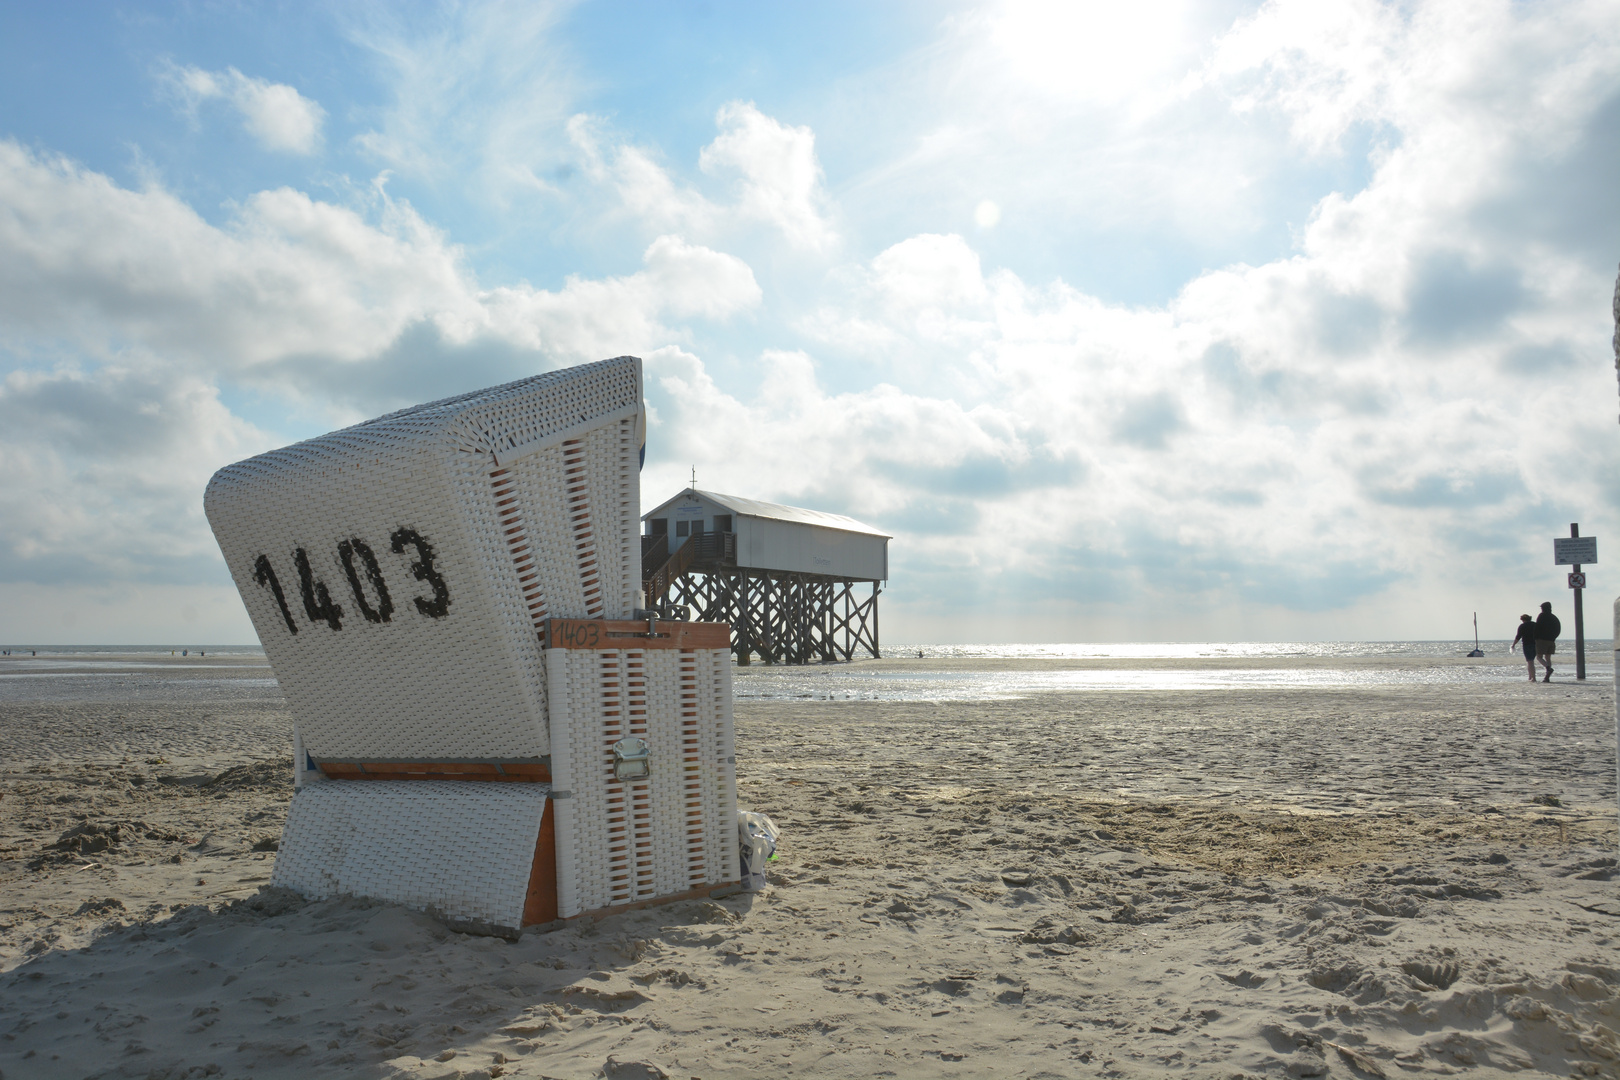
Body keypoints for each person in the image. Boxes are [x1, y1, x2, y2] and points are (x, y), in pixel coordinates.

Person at [1533, 601, 1561, 683]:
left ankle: (1548, 669)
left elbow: (1537, 627)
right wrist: (1554, 637)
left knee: (1539, 657)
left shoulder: (1541, 616)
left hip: (1541, 640)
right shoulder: (1554, 617)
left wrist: (1535, 637)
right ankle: (1547, 676)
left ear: (1543, 608)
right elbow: (1558, 629)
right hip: (1551, 640)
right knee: (1548, 658)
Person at [1510, 614, 1537, 683]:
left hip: (1527, 644)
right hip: (1535, 644)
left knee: (1530, 661)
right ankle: (1530, 676)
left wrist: (1513, 644)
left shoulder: (1522, 626)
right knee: (1531, 661)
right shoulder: (1535, 624)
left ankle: (1533, 678)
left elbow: (1518, 636)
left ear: (1523, 619)